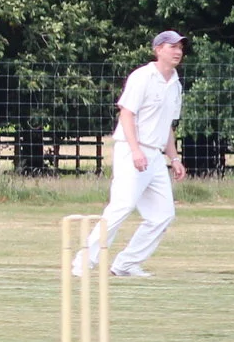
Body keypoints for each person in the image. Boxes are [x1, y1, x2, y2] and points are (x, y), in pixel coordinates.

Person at [78, 31, 186, 279]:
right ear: (158, 49)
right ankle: (84, 261)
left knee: (162, 216)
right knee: (122, 207)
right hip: (131, 150)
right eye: (172, 46)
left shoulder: (176, 84)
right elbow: (126, 114)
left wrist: (175, 158)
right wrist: (136, 150)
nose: (178, 51)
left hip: (156, 156)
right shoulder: (142, 77)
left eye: (180, 47)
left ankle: (125, 264)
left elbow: (167, 125)